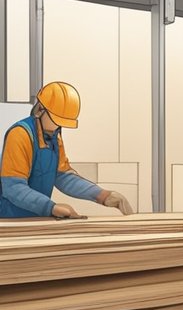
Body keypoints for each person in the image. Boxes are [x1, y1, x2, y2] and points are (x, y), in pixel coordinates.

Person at [1, 81, 134, 218]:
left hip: (37, 218)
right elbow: (13, 188)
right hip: (10, 220)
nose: (59, 125)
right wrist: (51, 208)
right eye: (56, 120)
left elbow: (64, 177)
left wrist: (102, 195)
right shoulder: (20, 134)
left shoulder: (54, 137)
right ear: (40, 109)